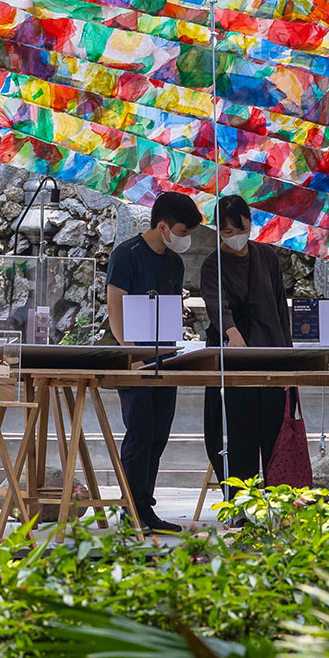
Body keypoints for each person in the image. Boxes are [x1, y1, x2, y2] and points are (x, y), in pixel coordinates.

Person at [106, 190, 203, 533]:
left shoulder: (175, 263)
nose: (185, 238)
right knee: (140, 432)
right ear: (162, 226)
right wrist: (130, 354)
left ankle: (146, 505)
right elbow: (115, 307)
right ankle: (131, 508)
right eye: (182, 231)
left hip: (167, 358)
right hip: (136, 360)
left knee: (160, 433)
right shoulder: (127, 255)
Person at [198, 195, 291, 487]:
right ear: (217, 231)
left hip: (271, 356)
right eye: (227, 233)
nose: (235, 237)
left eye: (240, 230)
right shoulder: (213, 265)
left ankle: (278, 503)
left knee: (275, 437)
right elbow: (218, 309)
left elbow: (279, 309)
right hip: (234, 362)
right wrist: (233, 336)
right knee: (238, 434)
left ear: (250, 223)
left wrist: (288, 361)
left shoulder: (267, 257)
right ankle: (241, 505)